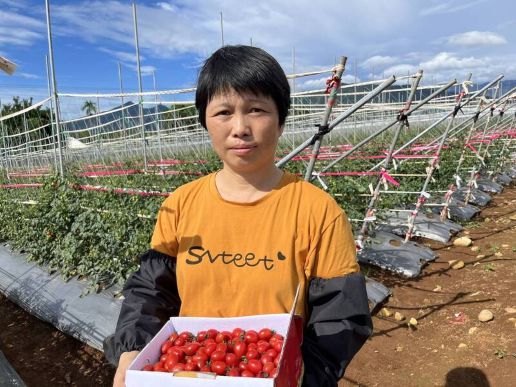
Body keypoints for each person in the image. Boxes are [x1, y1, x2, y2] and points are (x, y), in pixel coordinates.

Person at [107, 45, 372, 387]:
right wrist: (133, 349)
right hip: (190, 370)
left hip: (270, 372)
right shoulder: (181, 204)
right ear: (205, 121)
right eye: (223, 112)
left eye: (257, 109)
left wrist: (303, 374)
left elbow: (340, 318)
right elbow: (150, 292)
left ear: (280, 121)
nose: (240, 127)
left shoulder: (318, 212)